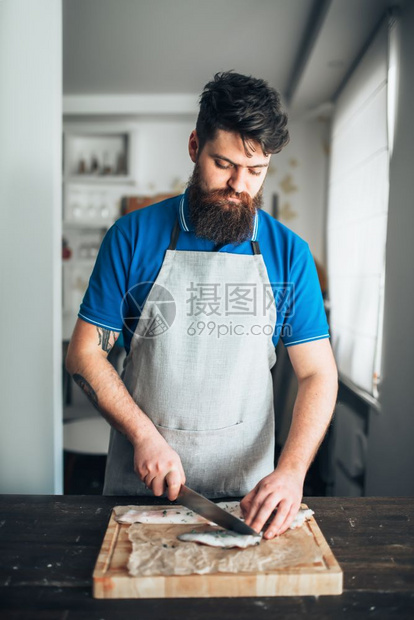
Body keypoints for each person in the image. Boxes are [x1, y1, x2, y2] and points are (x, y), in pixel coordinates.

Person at [66, 71, 338, 539]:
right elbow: (85, 354)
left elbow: (318, 374)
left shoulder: (289, 253)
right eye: (224, 163)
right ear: (195, 146)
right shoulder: (131, 237)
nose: (239, 185)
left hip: (250, 498)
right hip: (143, 485)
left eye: (256, 171)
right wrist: (144, 437)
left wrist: (292, 472)